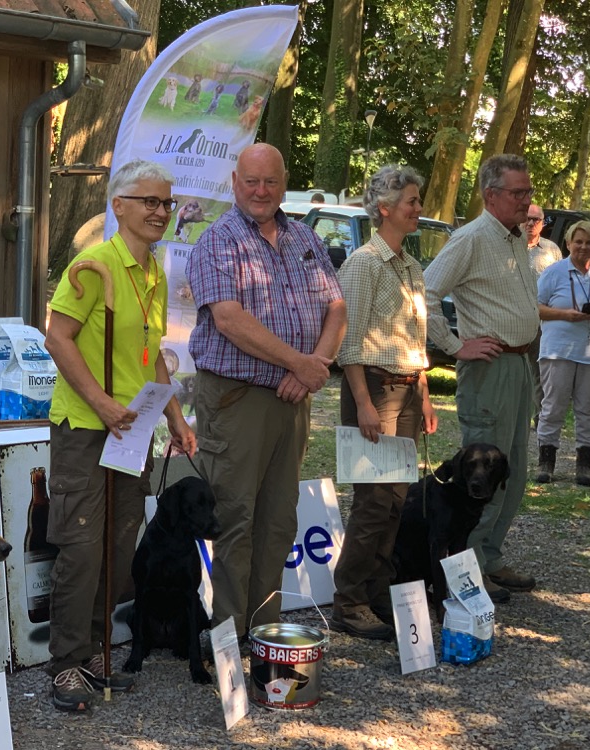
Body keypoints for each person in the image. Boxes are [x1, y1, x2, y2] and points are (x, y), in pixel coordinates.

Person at [43, 159, 197, 712]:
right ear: (119, 206)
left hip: (132, 434)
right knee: (83, 548)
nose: (160, 211)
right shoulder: (95, 265)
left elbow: (151, 356)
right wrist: (101, 403)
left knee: (116, 548)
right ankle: (66, 663)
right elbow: (57, 338)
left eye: (166, 203)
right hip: (87, 429)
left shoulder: (153, 271)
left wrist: (175, 418)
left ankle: (94, 650)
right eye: (149, 202)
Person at [186, 143, 346, 640]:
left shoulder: (304, 237)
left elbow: (337, 307)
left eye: (270, 181)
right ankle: (228, 641)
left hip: (293, 399)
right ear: (235, 183)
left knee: (278, 523)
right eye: (251, 181)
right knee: (235, 520)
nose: (261, 191)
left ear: (283, 183)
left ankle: (264, 634)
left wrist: (313, 367)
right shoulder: (218, 240)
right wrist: (300, 363)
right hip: (238, 400)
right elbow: (229, 320)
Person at [423, 153, 540, 605]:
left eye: (528, 192)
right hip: (489, 369)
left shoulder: (516, 238)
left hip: (518, 364)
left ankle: (489, 557)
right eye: (517, 193)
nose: (526, 201)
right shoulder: (470, 238)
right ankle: (467, 568)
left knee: (513, 469)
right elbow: (425, 292)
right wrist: (454, 346)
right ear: (490, 195)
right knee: (482, 469)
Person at [331, 165, 438, 640]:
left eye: (417, 200)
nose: (419, 208)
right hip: (374, 389)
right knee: (373, 502)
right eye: (411, 201)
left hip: (408, 389)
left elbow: (417, 339)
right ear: (385, 208)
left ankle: (378, 592)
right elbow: (349, 341)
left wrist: (425, 396)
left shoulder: (411, 266)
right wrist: (363, 404)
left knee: (396, 500)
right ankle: (349, 601)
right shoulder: (364, 264)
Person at [536, 220, 590, 486]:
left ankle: (584, 467)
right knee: (553, 406)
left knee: (588, 409)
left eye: (589, 242)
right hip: (559, 350)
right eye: (578, 241)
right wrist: (564, 314)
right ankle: (546, 463)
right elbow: (535, 307)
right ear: (568, 243)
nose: (583, 247)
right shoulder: (554, 272)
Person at [525, 204, 563, 424]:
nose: (531, 223)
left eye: (536, 220)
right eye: (527, 218)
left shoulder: (551, 250)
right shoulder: (508, 246)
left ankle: (541, 418)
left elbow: (560, 284)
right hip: (511, 319)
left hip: (542, 321)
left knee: (541, 369)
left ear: (543, 223)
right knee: (513, 370)